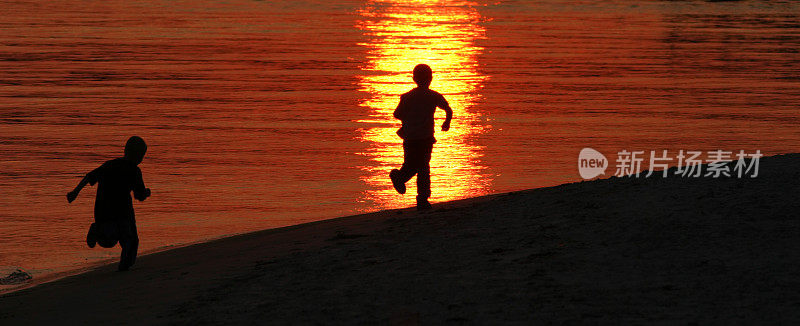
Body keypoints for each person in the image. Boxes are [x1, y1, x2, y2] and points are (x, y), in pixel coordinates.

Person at [67, 136, 151, 271]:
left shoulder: (110, 164)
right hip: (123, 212)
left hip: (103, 211)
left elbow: (89, 177)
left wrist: (75, 192)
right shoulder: (134, 171)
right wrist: (146, 193)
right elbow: (139, 195)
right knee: (129, 240)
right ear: (139, 155)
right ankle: (125, 263)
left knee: (110, 240)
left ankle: (98, 230)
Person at [389, 64, 453, 210]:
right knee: (422, 167)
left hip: (410, 137)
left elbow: (397, 114)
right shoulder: (434, 96)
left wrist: (410, 117)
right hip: (424, 138)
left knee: (412, 165)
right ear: (430, 79)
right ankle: (421, 198)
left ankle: (401, 178)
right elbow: (448, 110)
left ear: (414, 78)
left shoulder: (407, 97)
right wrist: (447, 122)